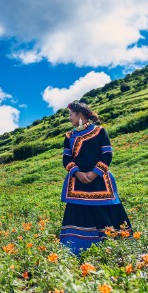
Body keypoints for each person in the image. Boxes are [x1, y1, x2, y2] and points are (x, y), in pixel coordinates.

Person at [59, 100, 132, 254]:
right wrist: (78, 173)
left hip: (100, 182)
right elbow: (67, 159)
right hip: (77, 184)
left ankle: (114, 250)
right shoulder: (68, 136)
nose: (69, 118)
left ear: (80, 115)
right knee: (76, 214)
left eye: (71, 115)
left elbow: (107, 155)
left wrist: (93, 174)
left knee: (104, 215)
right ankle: (76, 250)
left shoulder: (99, 132)